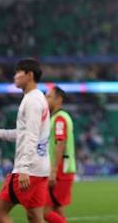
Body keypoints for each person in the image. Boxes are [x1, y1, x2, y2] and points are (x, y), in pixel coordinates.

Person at [0, 58, 50, 223]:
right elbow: (25, 133)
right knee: (35, 218)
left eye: (19, 72)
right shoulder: (38, 97)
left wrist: (24, 168)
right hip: (41, 168)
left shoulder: (32, 100)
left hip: (28, 169)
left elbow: (31, 135)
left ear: (29, 75)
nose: (15, 76)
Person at [44, 86, 76, 223]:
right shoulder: (58, 117)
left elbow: (60, 143)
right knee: (57, 209)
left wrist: (53, 171)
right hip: (62, 168)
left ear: (59, 99)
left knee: (43, 211)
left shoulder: (59, 119)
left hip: (60, 170)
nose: (45, 99)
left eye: (49, 96)